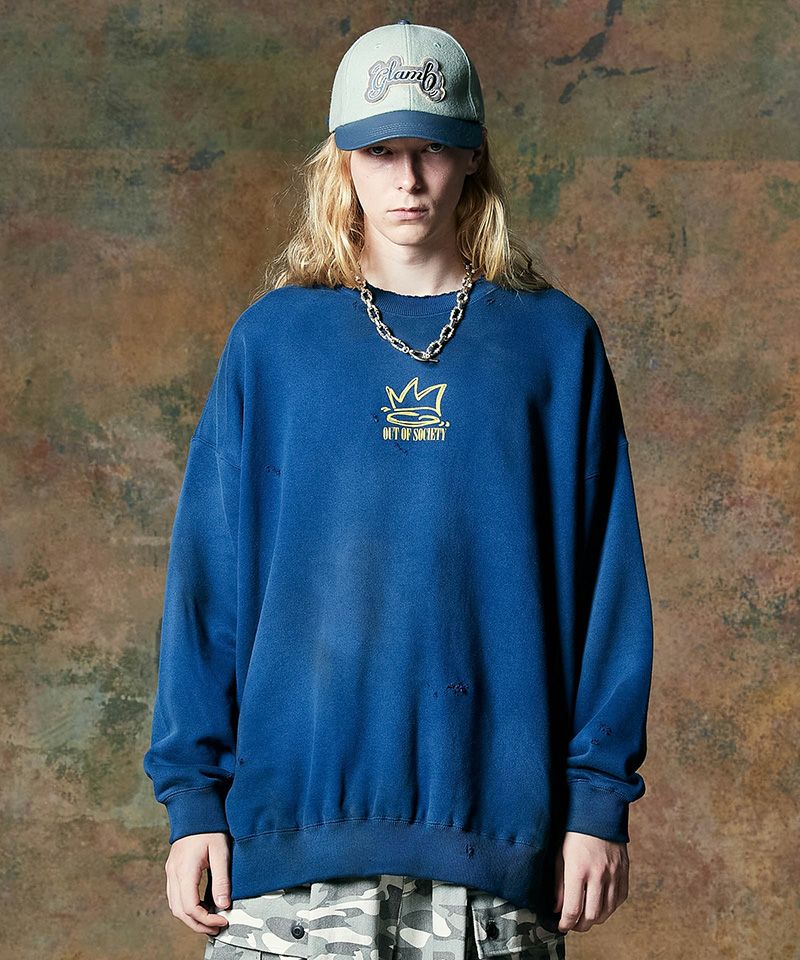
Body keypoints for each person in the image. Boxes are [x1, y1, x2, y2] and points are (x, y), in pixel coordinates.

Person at [143, 19, 654, 960]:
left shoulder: (553, 344)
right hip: (286, 851)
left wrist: (597, 804)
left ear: (473, 156)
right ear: (341, 160)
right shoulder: (274, 343)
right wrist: (192, 801)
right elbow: (208, 587)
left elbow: (606, 591)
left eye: (432, 149)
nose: (408, 180)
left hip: (493, 857)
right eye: (381, 152)